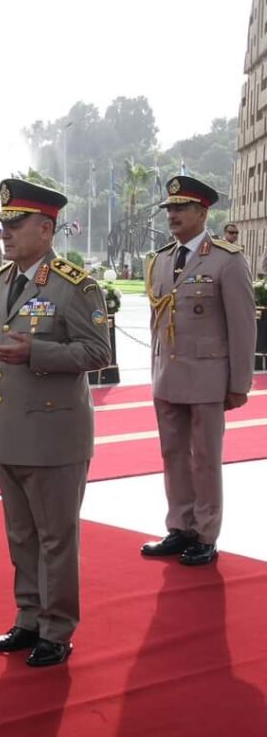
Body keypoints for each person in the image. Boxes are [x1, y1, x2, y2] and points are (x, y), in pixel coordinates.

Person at [0, 178, 111, 667]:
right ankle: (28, 618)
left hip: (54, 434)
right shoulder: (1, 282)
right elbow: (1, 348)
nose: (5, 234)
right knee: (21, 536)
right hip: (8, 430)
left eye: (15, 225)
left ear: (46, 227)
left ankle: (57, 629)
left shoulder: (75, 286)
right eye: (2, 226)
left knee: (56, 538)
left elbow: (98, 353)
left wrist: (35, 351)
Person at [140, 176, 255, 566]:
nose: (172, 215)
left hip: (208, 378)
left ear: (202, 213)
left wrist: (240, 384)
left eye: (180, 208)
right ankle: (180, 526)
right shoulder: (159, 260)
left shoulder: (226, 259)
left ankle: (206, 533)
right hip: (168, 376)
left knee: (205, 457)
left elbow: (243, 327)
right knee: (172, 454)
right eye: (169, 209)